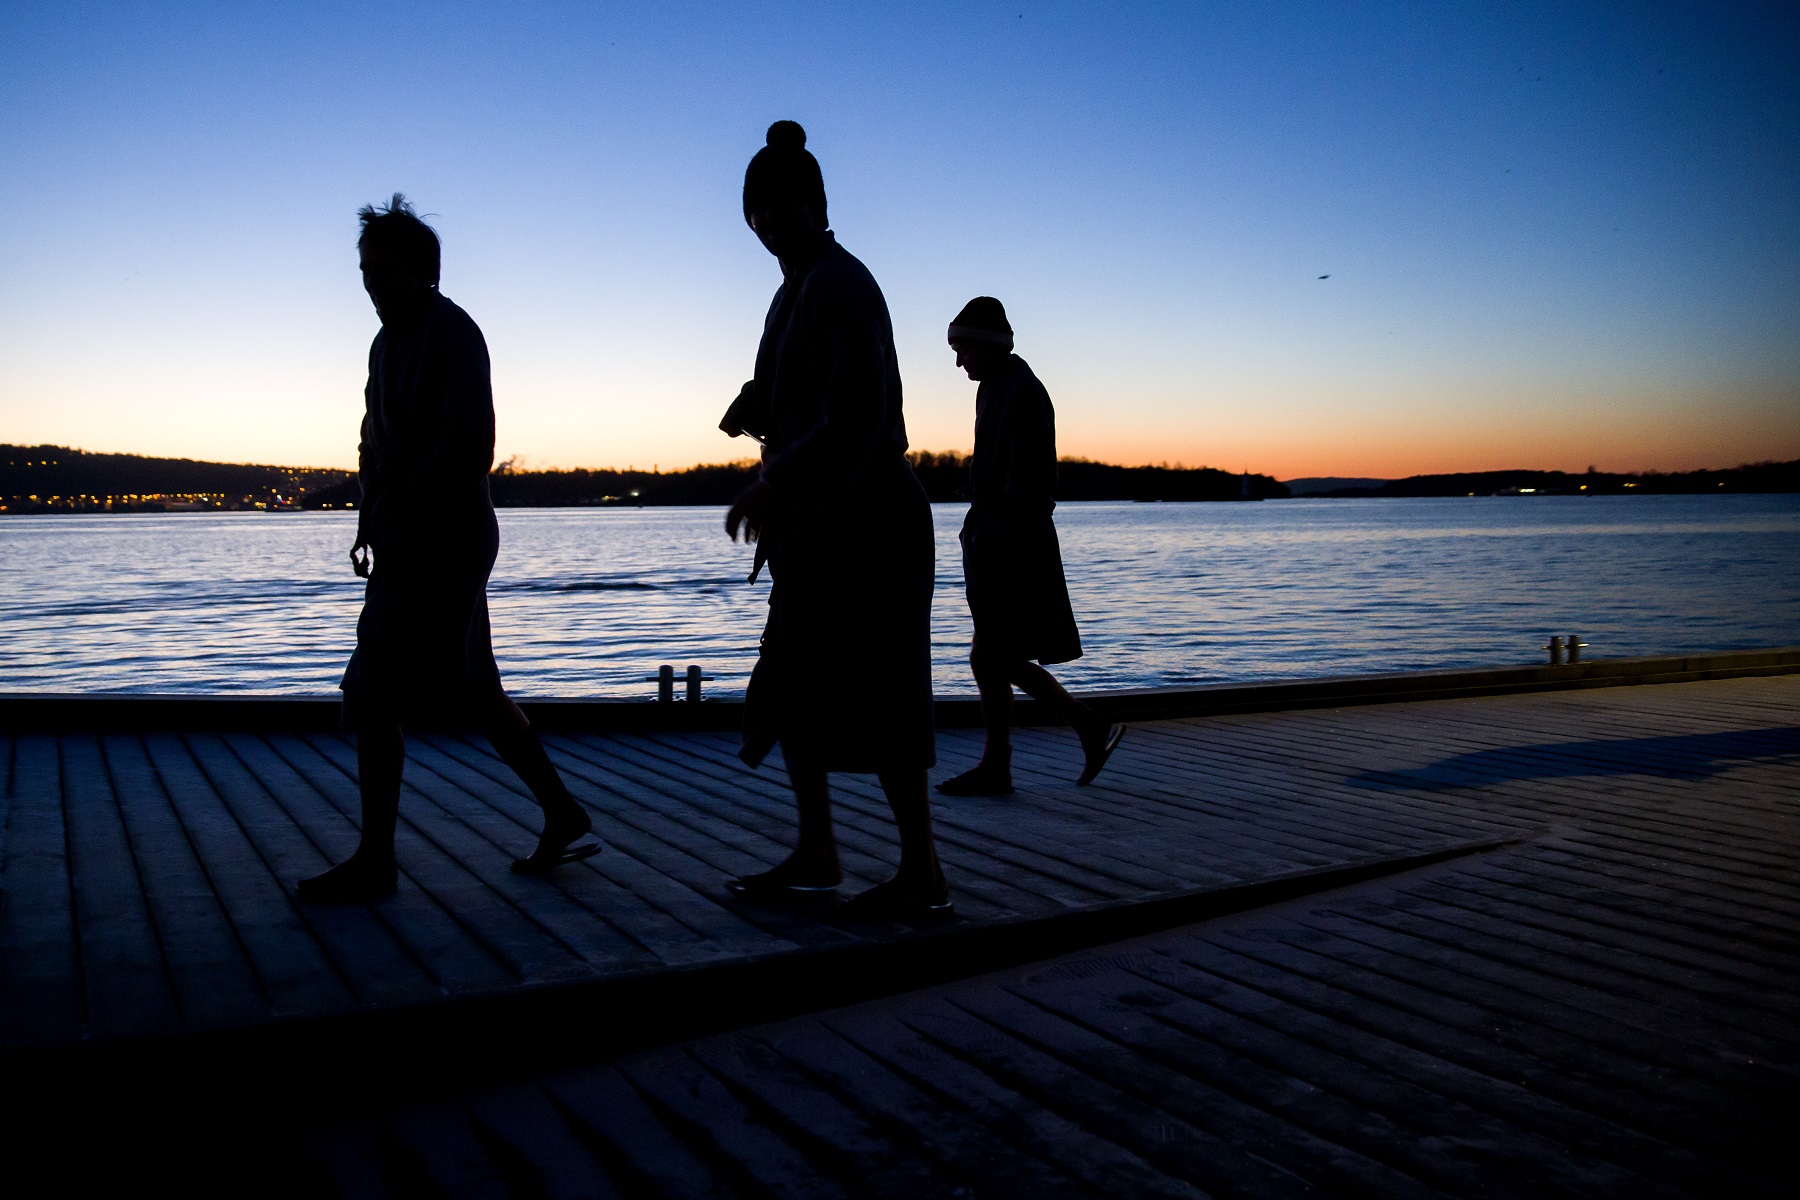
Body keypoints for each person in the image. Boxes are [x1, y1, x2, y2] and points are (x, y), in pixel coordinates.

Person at [297, 195, 597, 904]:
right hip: (406, 538)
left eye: (383, 271)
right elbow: (373, 436)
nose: (370, 284)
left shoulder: (453, 333)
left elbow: (471, 444)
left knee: (372, 693)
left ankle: (376, 861)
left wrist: (402, 499)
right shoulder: (383, 343)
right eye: (364, 271)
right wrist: (371, 510)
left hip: (448, 539)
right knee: (478, 691)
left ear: (421, 270)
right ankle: (562, 812)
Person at [721, 121, 948, 921]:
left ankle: (922, 870)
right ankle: (818, 851)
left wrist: (773, 480)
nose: (772, 219)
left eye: (786, 204)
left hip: (871, 519)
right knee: (795, 687)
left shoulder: (841, 282)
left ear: (818, 203)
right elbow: (808, 391)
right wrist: (761, 407)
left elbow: (860, 413)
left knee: (884, 692)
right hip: (820, 523)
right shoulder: (796, 289)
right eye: (760, 209)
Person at [936, 296, 1123, 796]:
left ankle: (1019, 755)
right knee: (990, 656)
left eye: (962, 350)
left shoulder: (1024, 390)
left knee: (991, 657)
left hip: (1013, 546)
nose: (958, 362)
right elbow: (997, 466)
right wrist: (974, 487)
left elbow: (1036, 480)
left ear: (988, 345)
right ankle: (1069, 731)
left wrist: (999, 522)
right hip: (993, 541)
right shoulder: (994, 388)